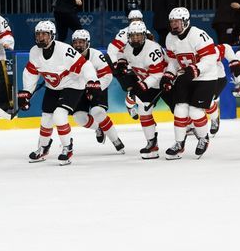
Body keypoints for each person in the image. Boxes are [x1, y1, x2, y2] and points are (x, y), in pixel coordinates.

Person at [18, 21, 98, 165]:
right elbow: (31, 73)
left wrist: (92, 81)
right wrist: (26, 93)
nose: (41, 38)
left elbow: (84, 65)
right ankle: (43, 148)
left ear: (52, 36)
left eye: (45, 34)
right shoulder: (34, 52)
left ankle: (67, 148)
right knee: (46, 117)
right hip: (53, 86)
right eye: (38, 34)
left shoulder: (64, 51)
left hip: (73, 85)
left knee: (59, 115)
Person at [161, 7, 219, 160]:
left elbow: (211, 58)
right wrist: (168, 75)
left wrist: (195, 69)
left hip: (205, 77)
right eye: (172, 22)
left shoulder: (198, 35)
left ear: (186, 22)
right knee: (180, 110)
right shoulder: (170, 38)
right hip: (186, 76)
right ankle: (179, 144)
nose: (174, 25)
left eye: (177, 22)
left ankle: (203, 138)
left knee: (195, 111)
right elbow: (173, 61)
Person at [111, 21, 168, 159]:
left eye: (138, 36)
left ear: (144, 36)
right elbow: (121, 54)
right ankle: (152, 145)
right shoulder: (128, 47)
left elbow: (159, 74)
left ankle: (195, 129)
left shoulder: (152, 49)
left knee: (181, 108)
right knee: (144, 110)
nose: (135, 39)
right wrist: (122, 62)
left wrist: (142, 85)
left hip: (165, 81)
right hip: (150, 82)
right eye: (133, 36)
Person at [70, 30, 125, 154]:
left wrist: (95, 88)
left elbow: (107, 76)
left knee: (97, 112)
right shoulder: (68, 55)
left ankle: (115, 139)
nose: (78, 45)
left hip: (96, 87)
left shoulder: (96, 55)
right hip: (79, 89)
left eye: (81, 42)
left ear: (88, 43)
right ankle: (99, 128)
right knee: (79, 118)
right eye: (76, 42)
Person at [107, 9, 151, 118]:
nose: (135, 21)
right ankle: (130, 107)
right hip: (125, 66)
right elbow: (111, 50)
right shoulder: (123, 33)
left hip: (140, 68)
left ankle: (144, 114)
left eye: (138, 19)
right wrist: (117, 65)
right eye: (133, 20)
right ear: (129, 21)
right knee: (132, 90)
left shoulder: (146, 32)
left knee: (142, 93)